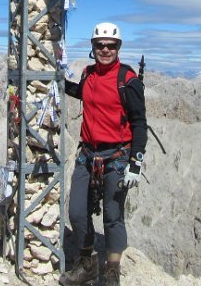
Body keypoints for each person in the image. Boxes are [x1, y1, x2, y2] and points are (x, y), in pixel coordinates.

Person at [59, 22, 147, 286]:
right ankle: (87, 264)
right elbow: (82, 92)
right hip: (88, 154)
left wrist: (136, 163)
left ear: (118, 48)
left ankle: (112, 271)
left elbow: (139, 123)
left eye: (110, 46)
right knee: (77, 212)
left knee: (112, 216)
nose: (105, 50)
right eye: (100, 45)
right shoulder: (88, 74)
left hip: (117, 157)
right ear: (93, 47)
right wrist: (59, 81)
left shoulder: (127, 80)